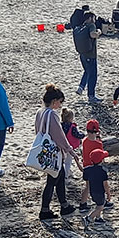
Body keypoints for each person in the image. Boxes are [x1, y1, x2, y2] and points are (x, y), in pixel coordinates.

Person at [35, 84, 82, 220]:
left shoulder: (40, 112)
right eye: (60, 102)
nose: (60, 105)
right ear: (55, 101)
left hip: (45, 150)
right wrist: (70, 150)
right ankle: (45, 210)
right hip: (54, 153)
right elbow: (58, 136)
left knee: (59, 177)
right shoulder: (52, 114)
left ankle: (64, 205)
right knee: (53, 180)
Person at [73, 12, 102, 103]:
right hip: (91, 55)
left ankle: (81, 87)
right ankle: (91, 96)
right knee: (92, 75)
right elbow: (93, 35)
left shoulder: (80, 27)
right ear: (90, 18)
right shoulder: (91, 25)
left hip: (82, 54)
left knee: (87, 71)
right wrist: (99, 32)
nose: (95, 20)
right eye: (94, 18)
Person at [82, 148, 112, 227]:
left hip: (92, 191)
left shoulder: (87, 170)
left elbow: (87, 183)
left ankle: (98, 218)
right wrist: (108, 194)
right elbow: (105, 185)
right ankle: (88, 218)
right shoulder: (103, 171)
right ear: (101, 160)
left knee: (98, 204)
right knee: (100, 207)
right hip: (100, 192)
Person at [79, 119, 104, 212]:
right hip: (95, 166)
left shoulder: (85, 140)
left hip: (86, 165)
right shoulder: (98, 144)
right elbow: (100, 155)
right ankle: (102, 201)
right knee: (100, 184)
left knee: (87, 185)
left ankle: (83, 203)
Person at [61, 108, 85, 177]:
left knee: (63, 160)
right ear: (71, 118)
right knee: (68, 161)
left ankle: (67, 172)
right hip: (70, 146)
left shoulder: (60, 125)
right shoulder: (72, 127)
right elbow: (76, 135)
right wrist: (82, 135)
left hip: (61, 145)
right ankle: (66, 175)